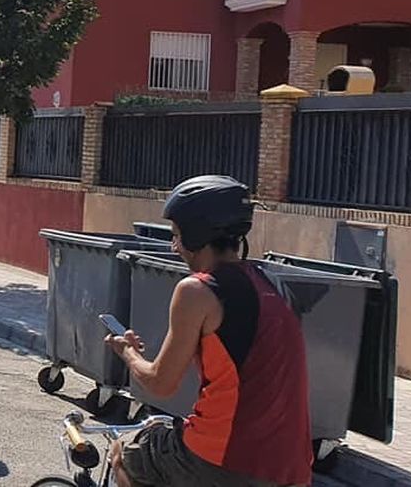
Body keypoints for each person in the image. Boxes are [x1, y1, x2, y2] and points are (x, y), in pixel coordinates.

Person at [105, 175, 311, 487]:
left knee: (125, 454)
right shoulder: (272, 286)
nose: (174, 247)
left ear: (196, 232)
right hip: (292, 468)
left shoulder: (197, 290)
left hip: (224, 458)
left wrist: (127, 353)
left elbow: (161, 383)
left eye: (176, 235)